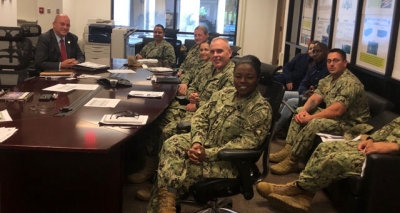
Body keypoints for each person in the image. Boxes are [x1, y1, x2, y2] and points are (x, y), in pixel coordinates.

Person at [147, 55, 273, 213]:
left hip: (228, 162)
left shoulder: (260, 109)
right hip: (205, 144)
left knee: (172, 171)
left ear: (258, 78)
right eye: (238, 76)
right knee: (172, 144)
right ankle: (166, 206)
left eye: (249, 77)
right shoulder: (224, 93)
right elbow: (201, 116)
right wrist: (197, 143)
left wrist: (206, 153)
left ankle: (164, 207)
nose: (242, 81)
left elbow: (245, 144)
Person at [128, 37, 234, 188]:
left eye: (220, 51)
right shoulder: (208, 67)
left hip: (205, 118)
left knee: (167, 130)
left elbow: (222, 107)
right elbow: (192, 84)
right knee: (155, 119)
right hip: (190, 108)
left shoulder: (232, 76)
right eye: (213, 51)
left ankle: (162, 183)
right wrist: (192, 95)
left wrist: (197, 104)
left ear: (229, 53)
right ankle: (151, 167)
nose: (215, 55)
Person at [256, 116, 400, 213]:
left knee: (333, 159)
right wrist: (370, 140)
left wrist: (394, 147)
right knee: (324, 148)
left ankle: (292, 189)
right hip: (376, 147)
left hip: (386, 160)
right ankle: (304, 197)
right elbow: (388, 129)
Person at [269, 48, 370, 175]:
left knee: (315, 122)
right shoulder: (329, 79)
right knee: (299, 110)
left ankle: (292, 161)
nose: (331, 64)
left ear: (345, 63)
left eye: (336, 61)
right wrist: (304, 112)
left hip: (350, 124)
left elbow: (337, 111)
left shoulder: (350, 83)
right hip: (336, 119)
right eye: (329, 61)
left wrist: (310, 118)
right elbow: (316, 98)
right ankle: (288, 149)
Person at [275, 42, 330, 136]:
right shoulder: (313, 67)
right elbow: (303, 83)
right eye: (314, 51)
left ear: (326, 52)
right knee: (284, 95)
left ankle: (274, 129)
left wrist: (314, 92)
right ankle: (279, 126)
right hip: (306, 94)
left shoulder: (328, 68)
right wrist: (304, 91)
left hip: (319, 100)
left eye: (319, 51)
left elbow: (325, 90)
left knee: (292, 101)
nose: (315, 53)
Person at [177, 25, 209, 95]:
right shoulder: (194, 47)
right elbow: (184, 63)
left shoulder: (207, 51)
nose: (197, 38)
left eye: (199, 35)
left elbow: (195, 71)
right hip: (183, 78)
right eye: (195, 35)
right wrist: (180, 71)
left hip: (192, 83)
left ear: (207, 35)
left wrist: (184, 81)